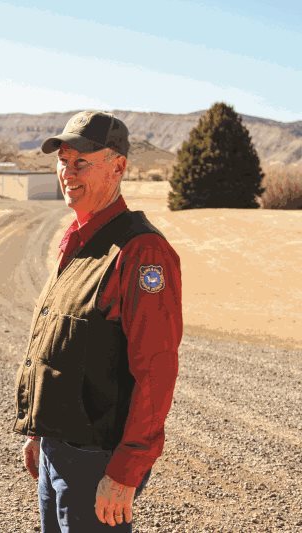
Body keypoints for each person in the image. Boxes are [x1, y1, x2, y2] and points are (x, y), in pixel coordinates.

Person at [12, 111, 182, 532]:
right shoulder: (75, 238)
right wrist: (39, 433)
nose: (68, 173)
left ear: (119, 166)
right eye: (63, 161)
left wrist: (126, 472)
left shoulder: (141, 252)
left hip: (97, 457)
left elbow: (156, 370)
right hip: (58, 448)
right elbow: (61, 345)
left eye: (82, 162)